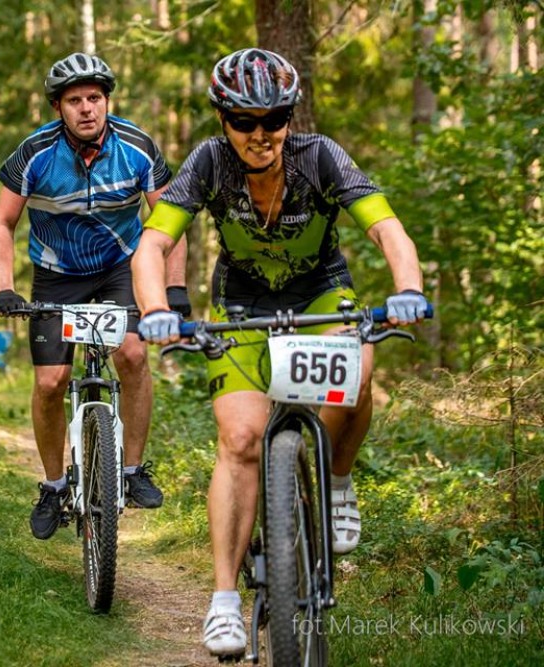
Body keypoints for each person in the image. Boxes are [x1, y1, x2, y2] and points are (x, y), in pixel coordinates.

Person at [130, 48, 428, 656]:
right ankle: (223, 601)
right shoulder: (209, 162)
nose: (260, 134)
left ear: (290, 117)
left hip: (321, 292)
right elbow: (152, 244)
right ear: (224, 119)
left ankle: (337, 483)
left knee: (359, 371)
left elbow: (386, 228)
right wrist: (157, 309)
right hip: (241, 304)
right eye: (245, 121)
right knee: (240, 439)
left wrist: (408, 290)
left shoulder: (320, 156)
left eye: (275, 118)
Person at [0, 52, 190, 541]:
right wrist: (4, 287)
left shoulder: (137, 146)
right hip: (57, 274)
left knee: (133, 354)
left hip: (121, 268)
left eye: (94, 98)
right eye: (74, 100)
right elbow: (2, 223)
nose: (86, 108)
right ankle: (54, 485)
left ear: (107, 101)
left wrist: (174, 289)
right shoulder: (35, 153)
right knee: (51, 382)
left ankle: (133, 470)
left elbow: (170, 223)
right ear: (58, 107)